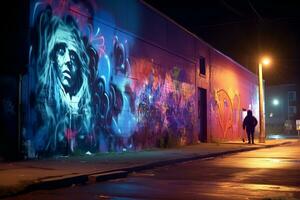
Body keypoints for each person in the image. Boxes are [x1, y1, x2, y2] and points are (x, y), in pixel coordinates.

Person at [33, 7, 93, 154]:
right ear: (52, 57)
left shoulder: (85, 110)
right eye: (61, 51)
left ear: (80, 66)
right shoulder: (45, 102)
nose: (68, 61)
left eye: (73, 56)